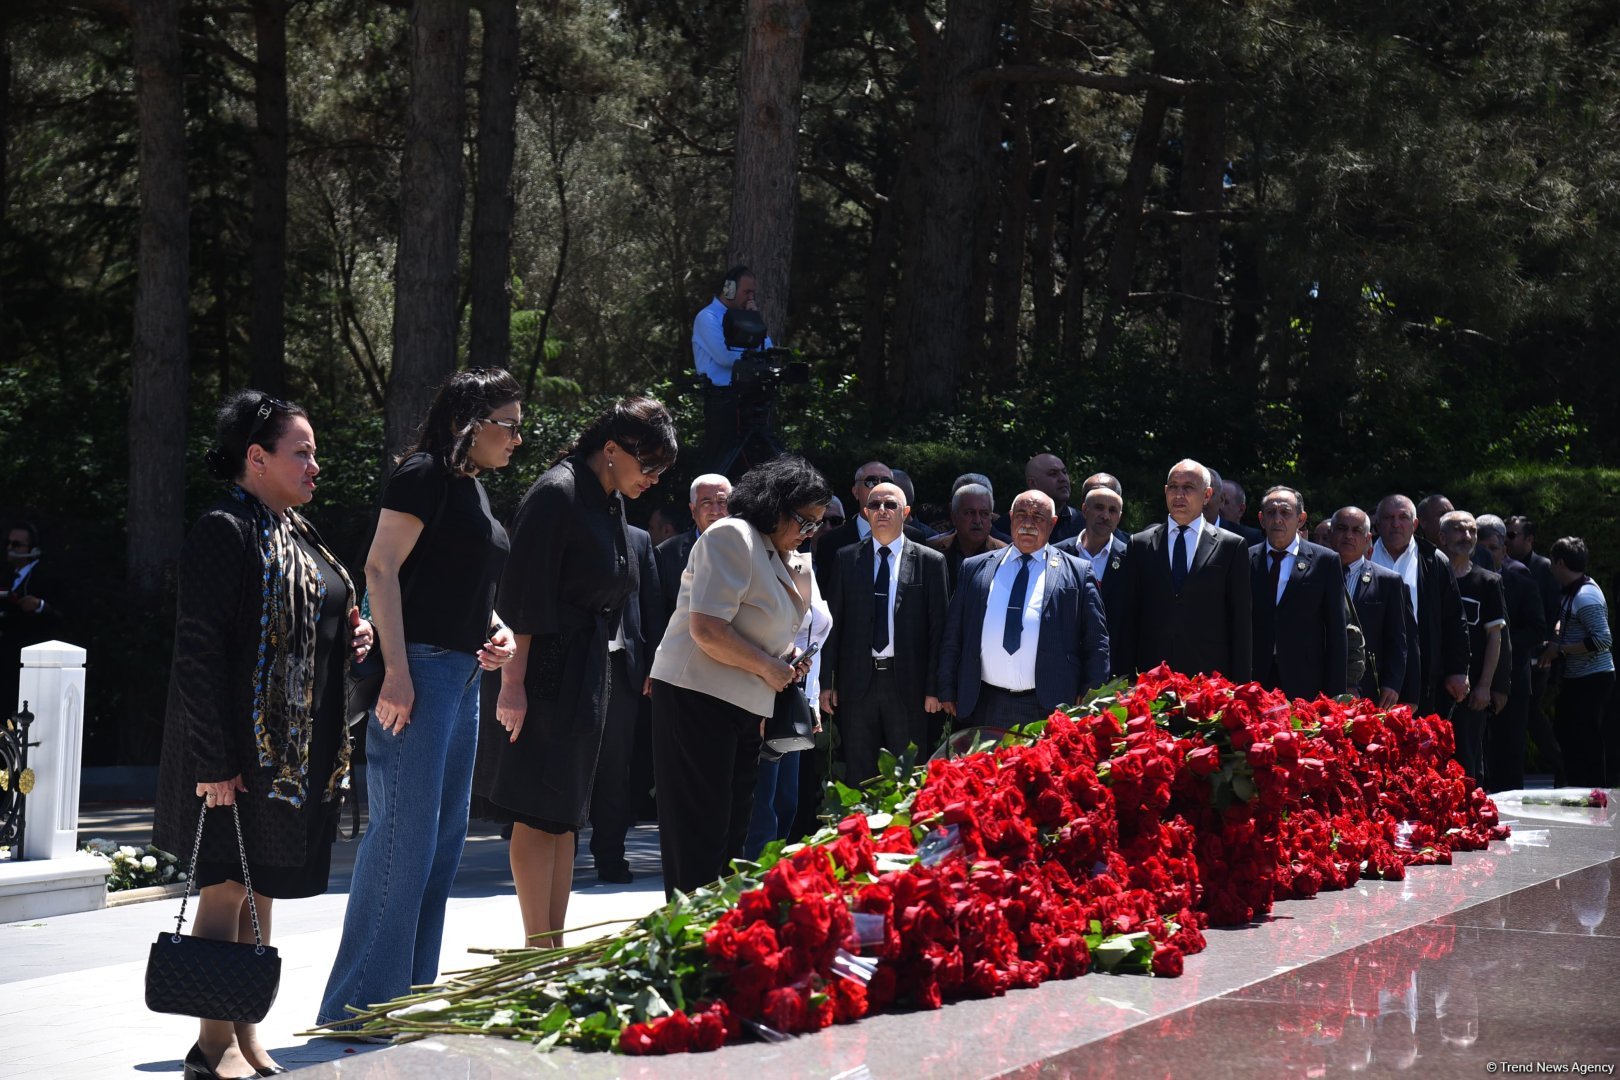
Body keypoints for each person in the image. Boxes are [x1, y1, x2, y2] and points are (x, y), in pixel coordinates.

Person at [153, 392, 373, 1078]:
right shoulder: (226, 528)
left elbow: (323, 610)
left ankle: (246, 1036)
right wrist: (214, 761)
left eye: (313, 451)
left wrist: (353, 635)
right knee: (225, 889)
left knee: (259, 888)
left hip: (284, 759)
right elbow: (197, 650)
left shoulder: (296, 531)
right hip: (231, 756)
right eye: (300, 452)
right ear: (257, 458)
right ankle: (211, 1047)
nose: (314, 464)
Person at [319, 369, 520, 1030]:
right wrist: (397, 671)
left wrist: (492, 631)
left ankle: (404, 998)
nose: (518, 438)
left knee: (441, 844)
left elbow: (458, 584)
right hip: (421, 673)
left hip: (460, 675)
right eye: (508, 425)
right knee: (402, 840)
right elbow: (380, 569)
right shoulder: (423, 475)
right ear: (470, 422)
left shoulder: (473, 492)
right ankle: (357, 1010)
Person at [470, 395, 675, 947]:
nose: (654, 478)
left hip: (584, 669)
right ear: (610, 449)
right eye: (648, 465)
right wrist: (512, 688)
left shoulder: (608, 499)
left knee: (564, 815)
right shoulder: (557, 494)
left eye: (661, 469)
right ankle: (535, 953)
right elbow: (520, 597)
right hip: (540, 671)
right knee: (537, 812)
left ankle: (551, 947)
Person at [650, 454, 828, 894]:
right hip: (695, 699)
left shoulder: (783, 555)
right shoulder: (733, 535)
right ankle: (686, 946)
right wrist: (770, 668)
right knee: (700, 838)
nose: (810, 533)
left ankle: (712, 942)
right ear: (775, 505)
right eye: (805, 521)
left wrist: (787, 657)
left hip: (744, 709)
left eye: (817, 524)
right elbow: (707, 628)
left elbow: (761, 629)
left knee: (731, 839)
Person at [938, 490, 1109, 728]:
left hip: (1048, 705)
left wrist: (1091, 695)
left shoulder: (1078, 573)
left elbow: (1096, 642)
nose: (1028, 523)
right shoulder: (975, 568)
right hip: (983, 703)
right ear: (1010, 518)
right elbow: (953, 635)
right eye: (1021, 515)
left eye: (1038, 517)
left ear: (1053, 523)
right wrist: (946, 687)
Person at [821, 482, 950, 784]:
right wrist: (827, 681)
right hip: (857, 686)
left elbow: (939, 631)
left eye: (890, 505)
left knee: (908, 777)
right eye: (875, 505)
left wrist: (935, 688)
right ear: (865, 512)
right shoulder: (846, 558)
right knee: (859, 776)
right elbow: (833, 625)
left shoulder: (930, 562)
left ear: (905, 512)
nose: (882, 511)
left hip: (909, 687)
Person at [1121, 460, 1252, 682]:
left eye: (1188, 487)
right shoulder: (1140, 544)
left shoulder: (1231, 546)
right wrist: (1124, 682)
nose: (1179, 494)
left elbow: (1240, 624)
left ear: (1208, 495)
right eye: (1173, 486)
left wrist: (1239, 687)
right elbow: (1128, 619)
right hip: (1151, 678)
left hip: (1210, 681)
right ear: (1165, 491)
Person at [588, 522, 665, 883]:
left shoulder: (639, 539)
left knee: (615, 770)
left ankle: (610, 857)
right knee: (573, 763)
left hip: (623, 667)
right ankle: (559, 856)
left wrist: (652, 663)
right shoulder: (573, 527)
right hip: (577, 663)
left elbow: (652, 604)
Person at [745, 577, 831, 859]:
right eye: (802, 527)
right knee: (763, 803)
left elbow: (815, 635)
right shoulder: (758, 560)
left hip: (794, 697)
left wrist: (812, 701)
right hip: (759, 694)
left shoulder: (802, 566)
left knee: (786, 801)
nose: (807, 533)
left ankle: (775, 874)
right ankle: (756, 877)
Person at [1372, 494, 1470, 715]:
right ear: (1377, 524)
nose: (1396, 524)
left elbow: (1454, 620)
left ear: (1415, 524)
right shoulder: (1362, 555)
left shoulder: (1434, 561)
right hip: (1371, 668)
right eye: (1388, 518)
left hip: (1423, 670)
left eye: (1403, 517)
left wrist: (1458, 670)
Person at [1248, 487, 1348, 701]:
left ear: (1301, 519)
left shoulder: (1325, 561)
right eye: (1270, 513)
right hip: (1255, 678)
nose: (1277, 520)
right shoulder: (1245, 559)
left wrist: (1336, 693)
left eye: (1285, 513)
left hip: (1306, 680)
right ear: (1261, 519)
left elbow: (1336, 631)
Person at [1476, 514, 1544, 792]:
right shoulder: (1467, 580)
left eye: (1492, 548)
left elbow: (1538, 629)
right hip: (1475, 678)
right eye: (1481, 548)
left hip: (1513, 679)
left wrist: (1500, 645)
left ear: (1504, 549)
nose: (1486, 554)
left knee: (1510, 749)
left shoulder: (1522, 582)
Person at [1539, 537, 1614, 788]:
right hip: (1578, 677)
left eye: (1552, 562)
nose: (1550, 568)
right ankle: (1576, 785)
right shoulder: (1573, 591)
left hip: (1592, 678)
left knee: (1587, 736)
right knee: (1566, 730)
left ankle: (1594, 791)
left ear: (1560, 562)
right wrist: (1555, 640)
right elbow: (1566, 620)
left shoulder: (1585, 596)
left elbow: (1603, 640)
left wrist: (1560, 651)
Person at [1438, 511, 1506, 782]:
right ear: (1442, 536)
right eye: (1458, 529)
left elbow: (1495, 637)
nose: (1466, 536)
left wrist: (1486, 685)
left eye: (1471, 531)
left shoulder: (1488, 582)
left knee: (1468, 762)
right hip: (1434, 685)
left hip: (1471, 690)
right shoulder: (1429, 577)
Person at [1330, 506, 1413, 706]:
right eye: (1342, 528)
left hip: (1368, 689)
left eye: (1356, 530)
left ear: (1368, 539)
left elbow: (1399, 640)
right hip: (1319, 684)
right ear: (1331, 534)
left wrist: (1392, 684)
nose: (1348, 535)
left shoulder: (1389, 582)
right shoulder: (1313, 575)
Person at [1506, 515, 1565, 781]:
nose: (1507, 539)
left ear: (1529, 539)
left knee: (1529, 712)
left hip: (1539, 655)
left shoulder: (1543, 568)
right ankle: (1560, 764)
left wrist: (1554, 643)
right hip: (1517, 654)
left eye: (1512, 535)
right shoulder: (1506, 567)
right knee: (1526, 714)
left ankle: (1561, 764)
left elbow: (1560, 609)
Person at [693, 266, 771, 468]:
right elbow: (724, 357)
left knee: (753, 460)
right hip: (721, 401)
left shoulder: (745, 318)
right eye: (747, 292)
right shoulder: (707, 317)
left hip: (747, 400)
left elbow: (768, 351)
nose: (751, 298)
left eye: (753, 293)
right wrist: (752, 356)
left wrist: (755, 320)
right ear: (729, 289)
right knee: (721, 461)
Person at [813, 460, 930, 592]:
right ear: (856, 492)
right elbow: (827, 600)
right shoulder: (831, 543)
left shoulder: (914, 538)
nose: (879, 486)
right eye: (871, 481)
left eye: (886, 481)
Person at [1056, 485, 1130, 676]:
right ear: (1084, 510)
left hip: (1113, 667)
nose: (1105, 515)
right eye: (1099, 507)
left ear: (1119, 517)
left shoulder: (1132, 558)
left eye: (1112, 511)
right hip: (1062, 665)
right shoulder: (1057, 553)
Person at [1, 521, 67, 714]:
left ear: (33, 549)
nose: (9, 548)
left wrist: (40, 606)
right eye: (8, 543)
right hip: (6, 663)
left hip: (31, 666)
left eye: (16, 544)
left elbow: (63, 616)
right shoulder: (7, 577)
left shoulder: (47, 577)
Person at [655, 473, 733, 617]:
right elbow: (656, 615)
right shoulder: (667, 553)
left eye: (722, 502)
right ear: (693, 510)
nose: (715, 511)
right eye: (706, 503)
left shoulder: (749, 549)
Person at [927, 482, 1007, 590]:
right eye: (970, 512)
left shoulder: (1005, 556)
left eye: (984, 513)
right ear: (954, 516)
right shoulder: (931, 551)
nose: (977, 521)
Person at [996, 453, 1083, 544]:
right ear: (1033, 483)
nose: (1063, 478)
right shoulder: (1005, 526)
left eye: (1064, 472)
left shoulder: (1082, 524)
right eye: (1053, 474)